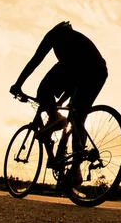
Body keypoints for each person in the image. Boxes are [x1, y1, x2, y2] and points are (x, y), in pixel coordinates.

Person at [10, 21, 108, 187]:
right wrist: (59, 103)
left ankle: (56, 119)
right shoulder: (77, 40)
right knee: (76, 117)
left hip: (79, 66)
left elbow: (36, 59)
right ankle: (74, 170)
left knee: (43, 91)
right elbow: (72, 86)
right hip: (98, 71)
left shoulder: (55, 35)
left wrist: (18, 84)